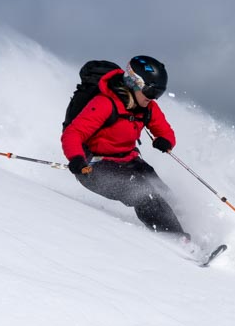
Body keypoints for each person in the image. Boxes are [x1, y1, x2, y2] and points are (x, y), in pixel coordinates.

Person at [61, 55, 187, 237]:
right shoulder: (105, 104)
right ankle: (177, 239)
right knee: (143, 193)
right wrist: (76, 159)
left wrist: (165, 140)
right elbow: (73, 134)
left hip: (129, 160)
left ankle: (192, 231)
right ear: (134, 83)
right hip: (94, 167)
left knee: (162, 191)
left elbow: (166, 132)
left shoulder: (147, 107)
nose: (154, 99)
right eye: (151, 92)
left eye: (158, 94)